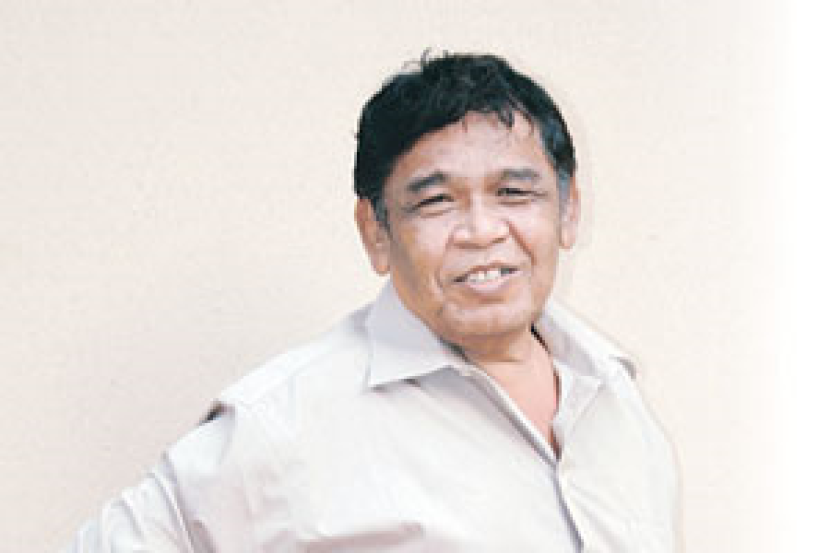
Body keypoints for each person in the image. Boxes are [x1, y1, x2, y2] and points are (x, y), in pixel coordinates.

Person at [67, 52, 679, 552]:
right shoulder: (282, 423)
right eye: (436, 202)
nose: (482, 231)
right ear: (376, 233)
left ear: (567, 212)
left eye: (515, 193)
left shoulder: (612, 397)